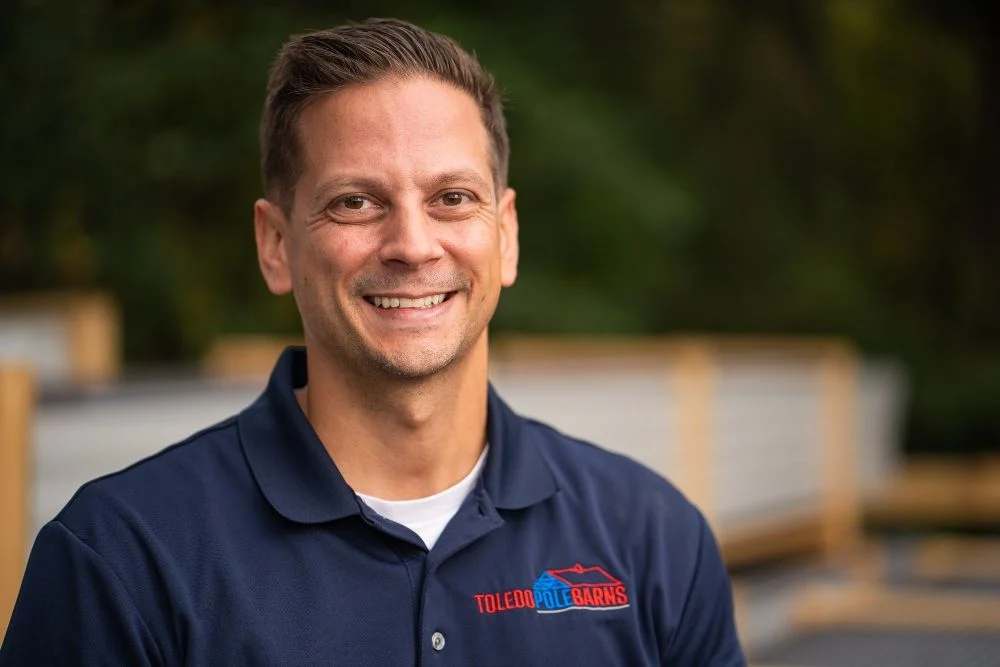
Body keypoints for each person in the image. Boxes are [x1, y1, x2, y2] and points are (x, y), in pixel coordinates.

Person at [0, 18, 745, 666]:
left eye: (452, 198)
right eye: (356, 202)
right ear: (275, 244)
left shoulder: (654, 539)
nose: (413, 245)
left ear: (506, 234)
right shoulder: (122, 560)